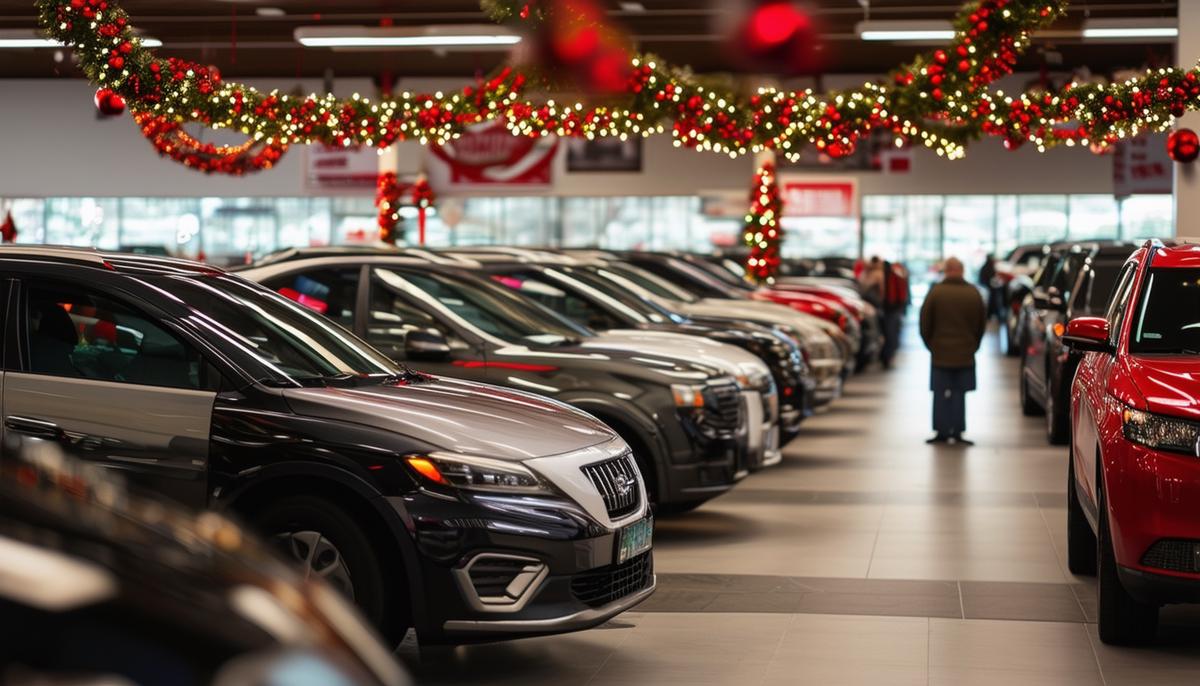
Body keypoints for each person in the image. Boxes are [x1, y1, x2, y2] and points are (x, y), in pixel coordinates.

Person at [920, 257, 986, 445]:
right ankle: (957, 431)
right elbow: (981, 324)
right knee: (959, 393)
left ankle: (941, 431)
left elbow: (925, 324)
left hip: (940, 353)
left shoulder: (935, 293)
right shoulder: (974, 293)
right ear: (962, 270)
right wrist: (974, 345)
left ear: (946, 270)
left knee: (940, 393)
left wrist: (932, 346)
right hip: (966, 353)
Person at [879, 259, 909, 369]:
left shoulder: (891, 276)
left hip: (890, 310)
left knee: (890, 335)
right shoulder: (894, 275)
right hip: (892, 310)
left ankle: (887, 357)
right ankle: (886, 357)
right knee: (890, 335)